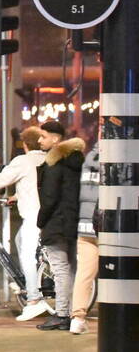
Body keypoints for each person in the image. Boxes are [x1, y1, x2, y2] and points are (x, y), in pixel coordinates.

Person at [0, 126, 50, 320]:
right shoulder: (46, 159)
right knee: (19, 240)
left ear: (24, 144)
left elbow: (0, 179)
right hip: (46, 214)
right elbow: (35, 185)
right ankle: (28, 283)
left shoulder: (23, 161)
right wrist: (16, 196)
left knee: (28, 255)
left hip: (33, 216)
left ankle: (33, 300)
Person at [35, 121, 84, 331]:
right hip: (74, 221)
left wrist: (41, 221)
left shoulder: (55, 163)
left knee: (60, 269)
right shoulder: (76, 161)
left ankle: (62, 314)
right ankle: (72, 311)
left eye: (43, 136)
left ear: (55, 139)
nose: (39, 140)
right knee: (71, 268)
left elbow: (49, 197)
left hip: (56, 222)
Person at [69, 141, 99, 334]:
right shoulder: (118, 158)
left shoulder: (89, 158)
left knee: (84, 274)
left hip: (85, 224)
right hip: (107, 224)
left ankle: (78, 318)